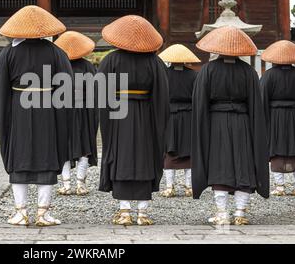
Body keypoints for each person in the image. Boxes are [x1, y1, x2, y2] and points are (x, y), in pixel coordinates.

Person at [0, 5, 73, 226]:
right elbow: (66, 86)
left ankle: (21, 212)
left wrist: (3, 117)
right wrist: (62, 117)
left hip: (19, 109)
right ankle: (43, 213)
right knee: (46, 158)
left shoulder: (9, 52)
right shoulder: (56, 52)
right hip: (48, 109)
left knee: (20, 158)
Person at [192, 26, 269, 225]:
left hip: (216, 122)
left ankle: (222, 213)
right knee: (243, 163)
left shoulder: (208, 70)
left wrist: (203, 127)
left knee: (220, 164)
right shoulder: (249, 72)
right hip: (243, 122)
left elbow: (200, 103)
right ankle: (240, 213)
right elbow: (256, 103)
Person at [98, 15, 169, 226]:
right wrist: (159, 123)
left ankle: (125, 211)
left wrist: (106, 118)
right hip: (146, 115)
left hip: (118, 115)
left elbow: (102, 93)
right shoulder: (154, 62)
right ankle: (142, 213)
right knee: (145, 156)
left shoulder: (110, 60)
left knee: (121, 156)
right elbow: (162, 96)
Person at [54, 31, 98, 196]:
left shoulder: (57, 65)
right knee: (84, 147)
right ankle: (81, 184)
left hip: (63, 110)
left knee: (64, 147)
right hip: (84, 111)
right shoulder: (88, 66)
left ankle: (66, 185)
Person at [158, 44, 200, 198]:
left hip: (169, 115)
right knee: (188, 149)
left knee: (170, 148)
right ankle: (189, 187)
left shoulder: (163, 75)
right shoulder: (194, 75)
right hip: (189, 115)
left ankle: (170, 187)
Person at [260, 40, 295, 196]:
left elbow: (262, 98)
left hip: (275, 115)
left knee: (276, 147)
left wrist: (263, 119)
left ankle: (280, 186)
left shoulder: (268, 75)